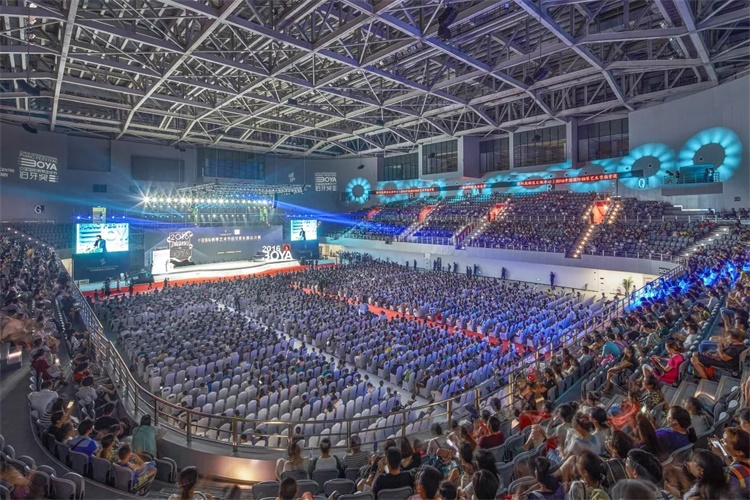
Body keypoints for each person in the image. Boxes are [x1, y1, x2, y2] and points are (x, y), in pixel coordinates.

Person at [717, 427, 750, 497]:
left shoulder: (731, 473)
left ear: (739, 452)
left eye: (724, 442)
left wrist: (720, 457)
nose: (721, 441)